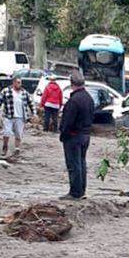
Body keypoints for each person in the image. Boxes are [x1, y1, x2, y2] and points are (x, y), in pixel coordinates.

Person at [58, 70, 94, 200]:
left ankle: (75, 192)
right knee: (81, 164)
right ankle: (81, 190)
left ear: (71, 83)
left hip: (74, 136)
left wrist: (63, 135)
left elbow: (68, 121)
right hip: (86, 135)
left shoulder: (74, 101)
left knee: (74, 165)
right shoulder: (89, 98)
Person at [0, 76, 34, 156]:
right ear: (14, 83)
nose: (20, 84)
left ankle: (17, 149)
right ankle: (5, 146)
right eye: (18, 82)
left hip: (20, 116)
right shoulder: (6, 91)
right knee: (7, 132)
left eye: (20, 83)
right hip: (8, 115)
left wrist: (34, 113)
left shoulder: (24, 92)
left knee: (19, 133)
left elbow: (31, 102)